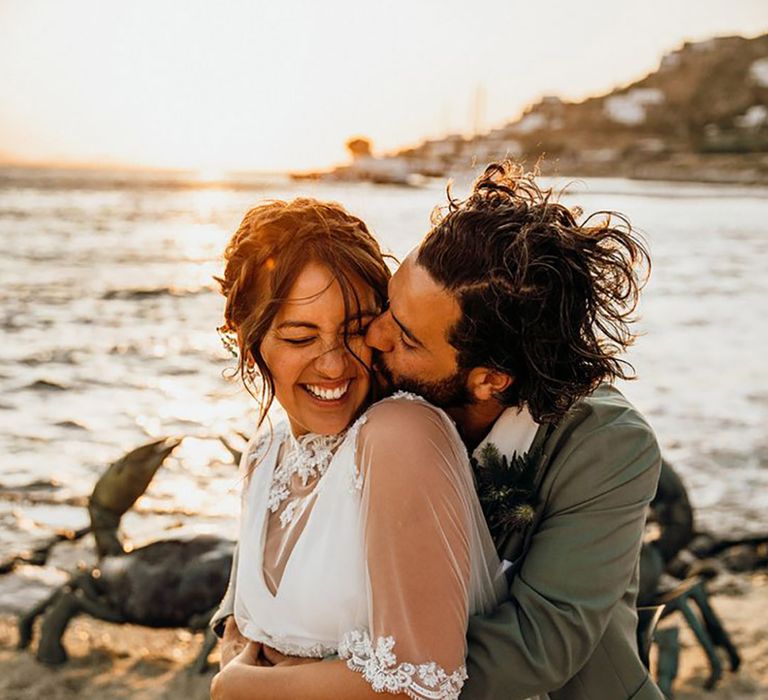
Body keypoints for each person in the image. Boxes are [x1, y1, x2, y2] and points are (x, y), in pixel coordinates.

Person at [212, 162, 665, 699]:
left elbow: (539, 645)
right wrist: (248, 633)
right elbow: (298, 527)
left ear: (487, 379)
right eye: (387, 307)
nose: (373, 338)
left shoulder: (606, 445)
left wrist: (297, 682)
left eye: (402, 335)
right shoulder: (370, 383)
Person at [209, 198, 507, 700]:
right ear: (247, 339)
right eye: (302, 337)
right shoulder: (263, 455)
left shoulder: (400, 434)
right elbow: (245, 630)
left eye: (353, 331)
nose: (334, 366)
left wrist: (239, 688)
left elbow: (422, 681)